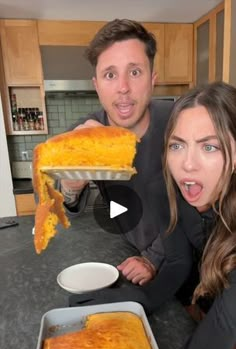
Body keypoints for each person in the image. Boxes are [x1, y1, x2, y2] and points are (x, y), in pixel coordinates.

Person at [69, 81, 236, 349]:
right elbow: (177, 262)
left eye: (209, 147)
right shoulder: (180, 194)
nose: (187, 165)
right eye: (177, 145)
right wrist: (119, 301)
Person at [60, 19, 174, 285]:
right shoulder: (85, 133)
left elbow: (207, 207)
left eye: (134, 72)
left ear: (153, 79)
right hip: (130, 258)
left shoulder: (179, 124)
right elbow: (62, 209)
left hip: (192, 269)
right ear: (96, 85)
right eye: (110, 75)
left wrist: (154, 257)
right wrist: (71, 186)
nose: (123, 87)